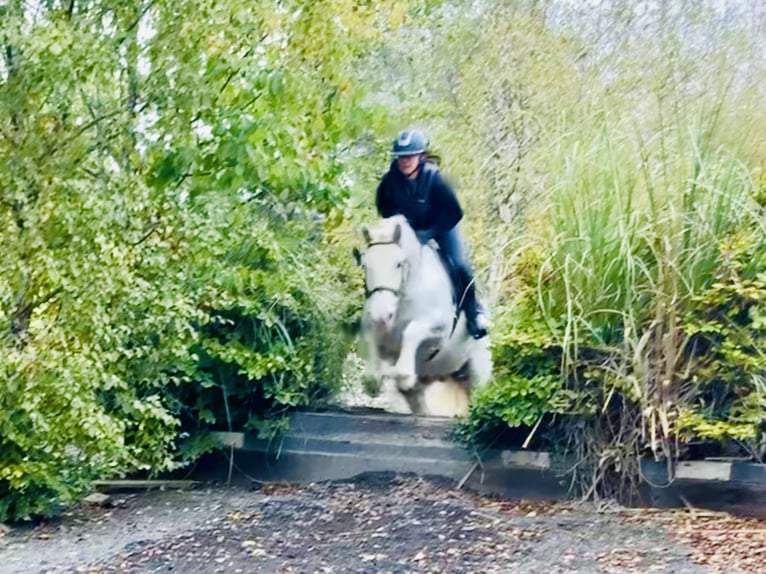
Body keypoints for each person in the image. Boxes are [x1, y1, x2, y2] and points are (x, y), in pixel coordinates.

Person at [375, 128, 489, 339]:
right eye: (401, 157)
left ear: (420, 156)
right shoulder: (388, 184)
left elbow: (454, 212)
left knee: (458, 264)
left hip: (442, 225)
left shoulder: (436, 179)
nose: (405, 161)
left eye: (410, 156)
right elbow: (384, 210)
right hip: (409, 230)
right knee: (383, 262)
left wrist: (428, 234)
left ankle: (474, 314)